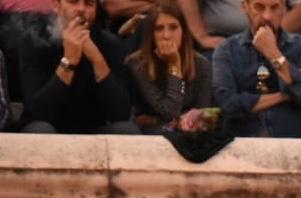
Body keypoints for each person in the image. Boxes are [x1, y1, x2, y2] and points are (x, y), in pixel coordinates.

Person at [18, 0, 139, 133]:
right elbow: (37, 112)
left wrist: (97, 59)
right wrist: (69, 61)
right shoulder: (34, 41)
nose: (81, 9)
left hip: (92, 130)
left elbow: (120, 113)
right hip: (49, 129)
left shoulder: (110, 43)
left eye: (89, 4)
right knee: (40, 129)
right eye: (73, 2)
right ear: (56, 5)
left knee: (126, 130)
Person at [211, 0, 301, 137]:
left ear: (284, 9)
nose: (267, 16)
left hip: (289, 141)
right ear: (245, 7)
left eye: (275, 7)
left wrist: (273, 54)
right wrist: (285, 95)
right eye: (259, 7)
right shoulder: (226, 49)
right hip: (243, 141)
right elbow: (227, 104)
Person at [125, 0, 212, 129]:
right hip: (150, 134)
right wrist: (174, 66)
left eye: (173, 27)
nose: (166, 36)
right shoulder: (138, 64)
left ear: (184, 31)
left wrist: (174, 122)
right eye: (159, 29)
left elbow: (202, 115)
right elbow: (170, 112)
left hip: (189, 133)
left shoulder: (201, 64)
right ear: (151, 34)